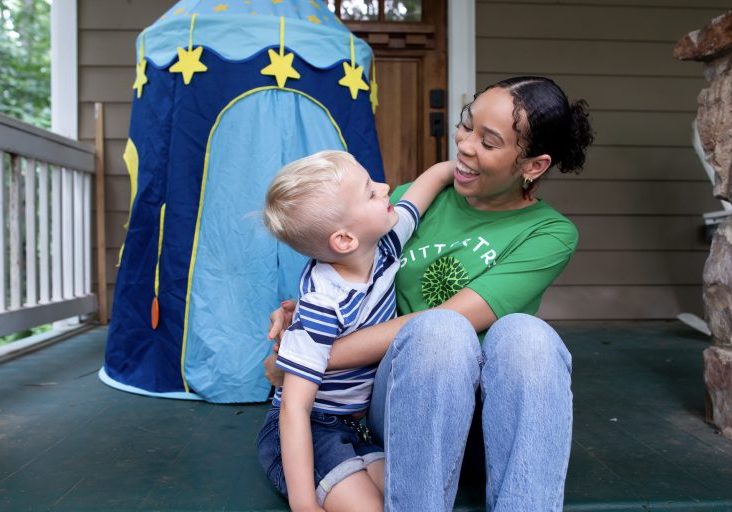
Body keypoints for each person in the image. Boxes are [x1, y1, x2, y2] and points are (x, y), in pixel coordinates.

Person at [266, 76, 594, 511]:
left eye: (489, 141)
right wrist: (300, 315)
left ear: (533, 165)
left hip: (489, 426)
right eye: (466, 124)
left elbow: (458, 316)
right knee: (439, 334)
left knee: (525, 335)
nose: (465, 144)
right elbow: (350, 282)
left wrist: (296, 361)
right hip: (408, 411)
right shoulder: (409, 205)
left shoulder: (550, 234)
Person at [256, 150, 455, 512]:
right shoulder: (322, 303)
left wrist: (451, 169)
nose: (386, 187)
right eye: (370, 191)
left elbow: (421, 192)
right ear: (345, 240)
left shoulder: (384, 243)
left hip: (359, 429)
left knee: (407, 497)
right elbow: (295, 408)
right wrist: (304, 505)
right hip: (313, 431)